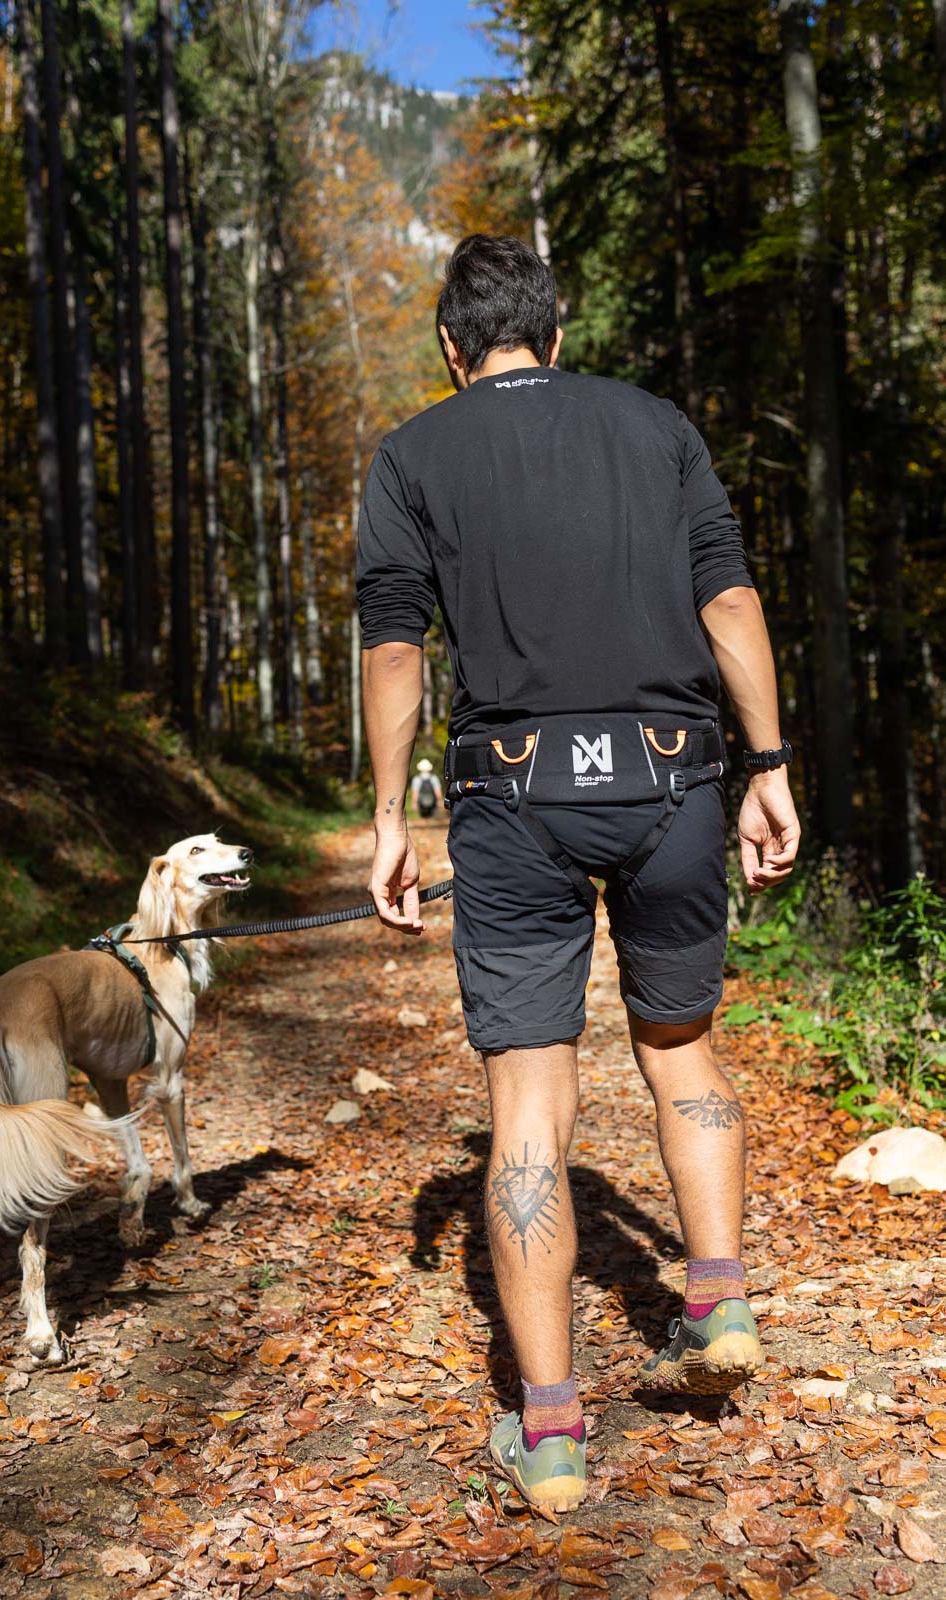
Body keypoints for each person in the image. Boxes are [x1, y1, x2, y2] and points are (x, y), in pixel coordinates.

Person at [356, 234, 800, 1512]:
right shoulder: (654, 425)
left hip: (512, 800)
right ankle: (714, 1304)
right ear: (555, 329)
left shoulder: (413, 453)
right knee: (680, 1050)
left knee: (529, 1108)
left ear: (452, 348)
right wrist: (764, 762)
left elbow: (395, 647)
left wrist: (389, 814)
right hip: (671, 782)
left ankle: (549, 1435)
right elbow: (727, 600)